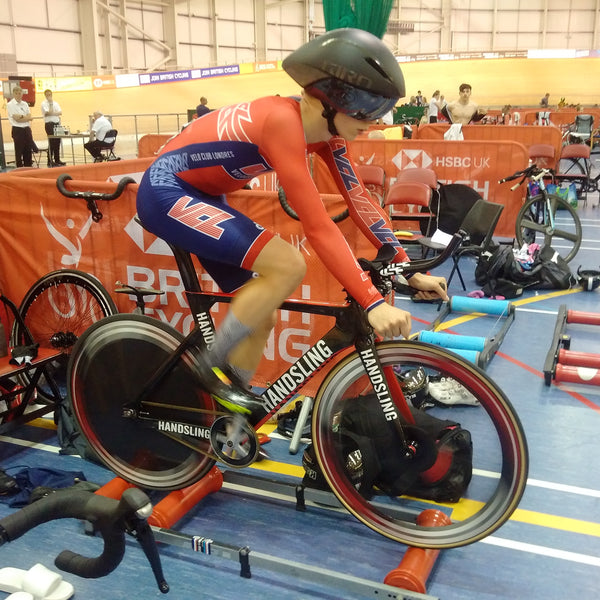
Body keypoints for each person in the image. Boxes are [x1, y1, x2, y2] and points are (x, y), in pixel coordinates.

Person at [137, 28, 448, 414]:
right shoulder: (283, 122)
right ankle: (208, 372)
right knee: (288, 264)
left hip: (202, 194)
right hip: (165, 190)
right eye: (366, 108)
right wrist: (370, 302)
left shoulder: (328, 136)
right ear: (331, 100)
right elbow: (317, 226)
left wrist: (406, 268)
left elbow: (358, 200)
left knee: (262, 315)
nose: (374, 121)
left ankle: (232, 423)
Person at [6, 86, 37, 168]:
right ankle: (19, 169)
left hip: (26, 129)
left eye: (20, 93)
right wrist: (26, 118)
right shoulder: (10, 105)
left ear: (22, 94)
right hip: (17, 130)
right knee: (19, 151)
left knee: (28, 150)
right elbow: (16, 119)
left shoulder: (25, 104)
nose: (18, 95)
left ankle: (28, 167)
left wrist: (22, 117)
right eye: (16, 93)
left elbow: (29, 116)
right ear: (13, 94)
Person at [41, 89, 66, 166]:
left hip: (57, 123)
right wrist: (51, 104)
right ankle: (50, 161)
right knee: (52, 142)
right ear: (45, 95)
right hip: (49, 124)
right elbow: (48, 113)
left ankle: (57, 159)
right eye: (47, 95)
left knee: (57, 142)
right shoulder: (43, 103)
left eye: (50, 94)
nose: (49, 96)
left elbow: (60, 112)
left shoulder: (56, 103)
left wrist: (53, 112)